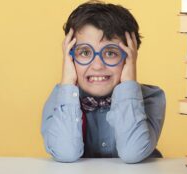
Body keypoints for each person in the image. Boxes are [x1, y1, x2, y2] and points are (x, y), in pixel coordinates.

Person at [41, 1, 166, 163]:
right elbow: (65, 153)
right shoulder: (61, 99)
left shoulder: (151, 98)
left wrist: (128, 83)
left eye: (110, 53)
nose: (98, 66)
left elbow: (132, 152)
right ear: (70, 58)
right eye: (85, 52)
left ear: (130, 57)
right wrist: (68, 83)